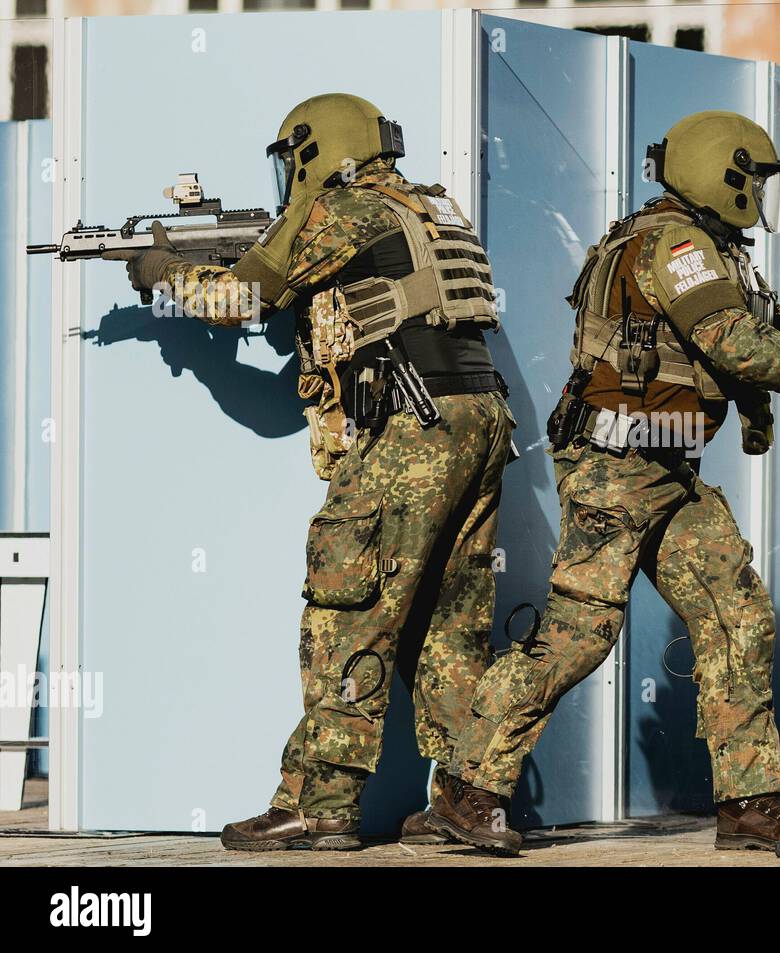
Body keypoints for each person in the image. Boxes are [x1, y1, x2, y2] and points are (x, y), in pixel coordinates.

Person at [413, 110, 780, 855]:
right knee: (580, 634)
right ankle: (468, 790)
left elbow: (770, 325)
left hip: (665, 467)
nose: (763, 198)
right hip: (617, 470)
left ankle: (750, 804)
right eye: (756, 182)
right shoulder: (676, 246)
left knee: (737, 614)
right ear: (722, 176)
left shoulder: (704, 246)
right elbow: (735, 344)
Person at [105, 93, 514, 850]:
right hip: (480, 418)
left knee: (345, 612)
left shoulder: (340, 209)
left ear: (313, 151)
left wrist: (158, 268)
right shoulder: (431, 206)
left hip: (411, 426)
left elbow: (238, 299)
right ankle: (467, 801)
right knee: (449, 626)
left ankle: (321, 805)